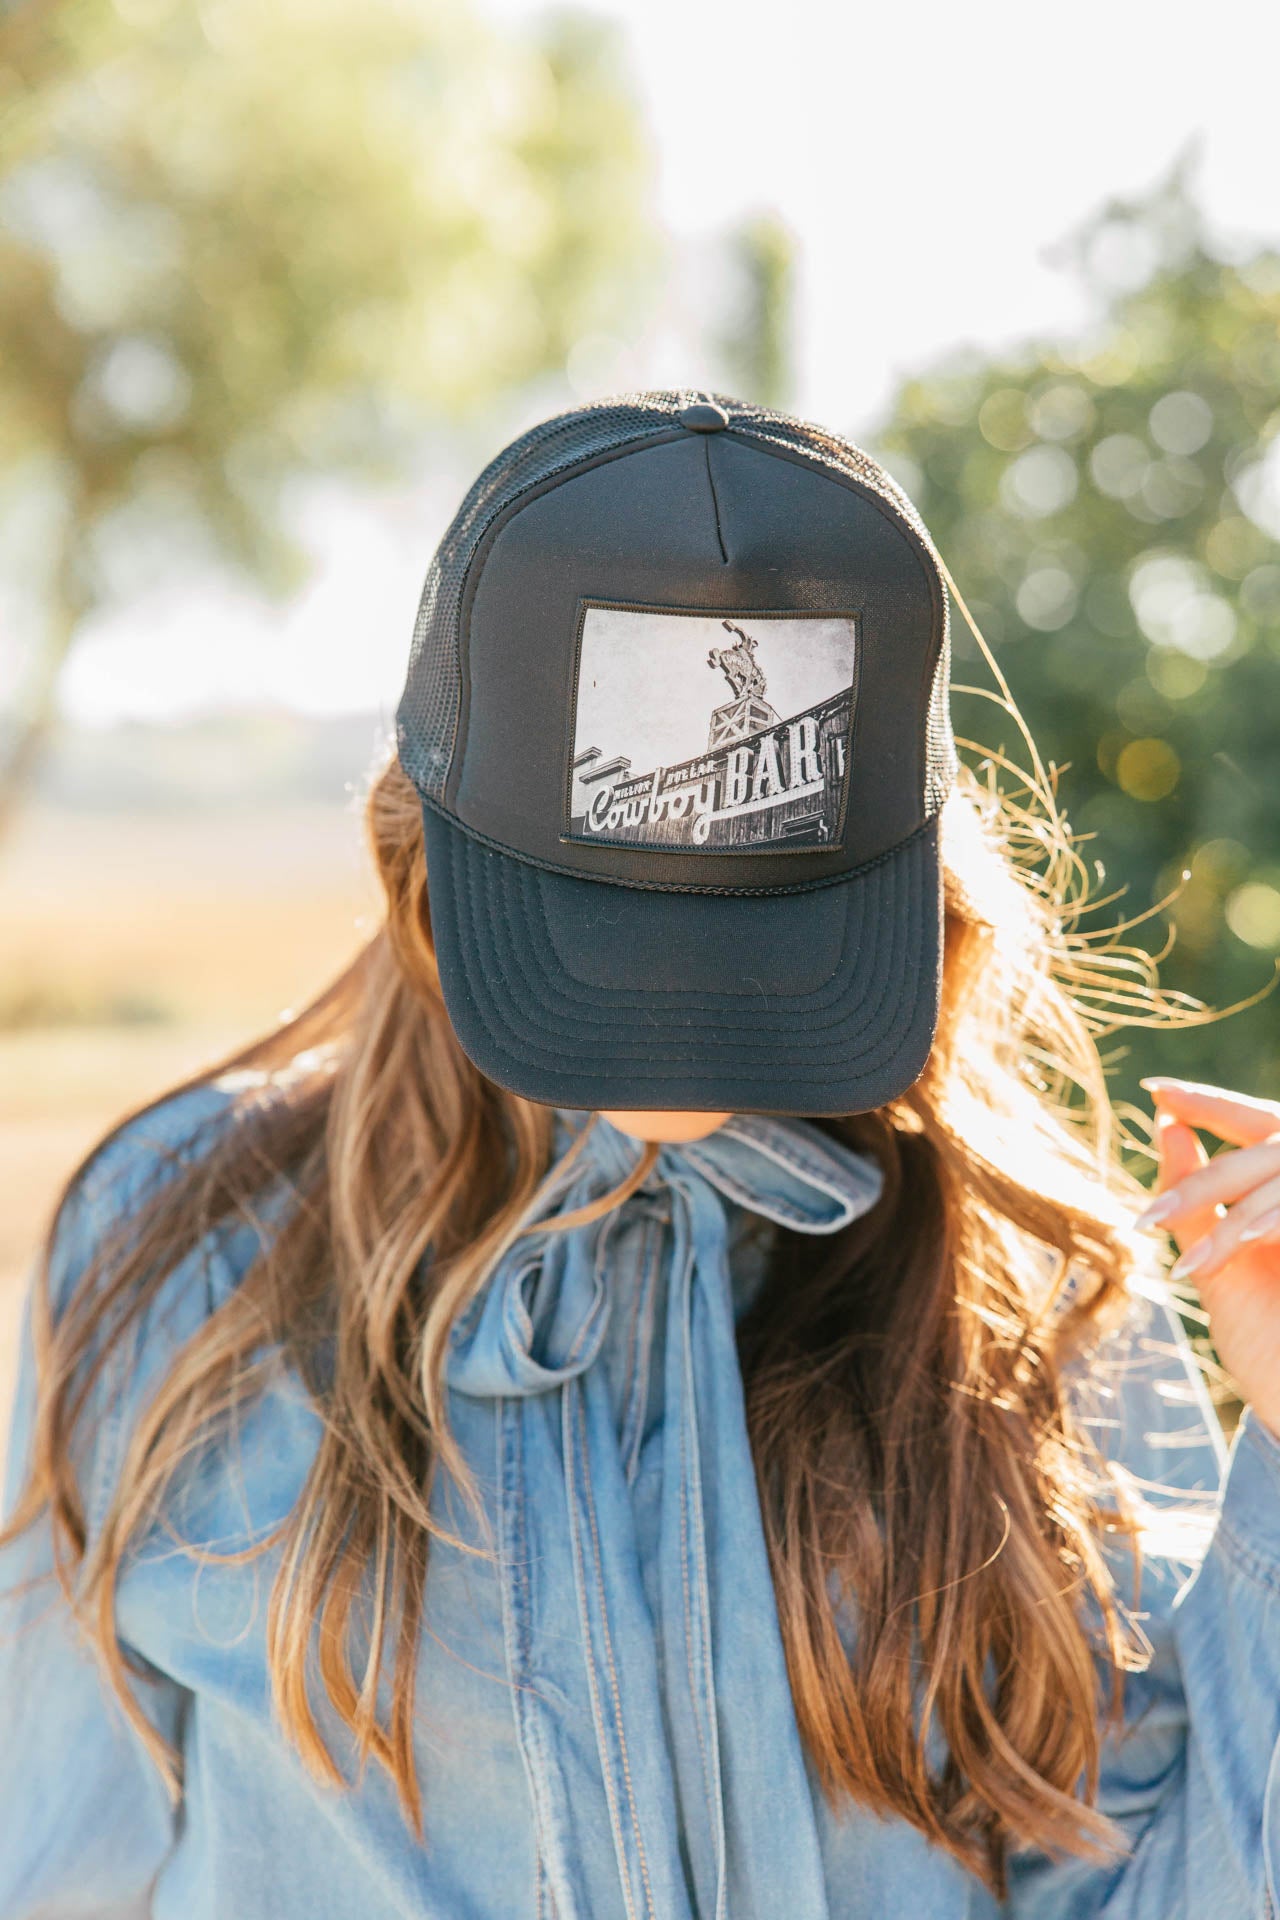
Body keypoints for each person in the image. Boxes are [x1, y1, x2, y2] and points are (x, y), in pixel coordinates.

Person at [2, 389, 1279, 1920]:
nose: (686, 1017)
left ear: (917, 884)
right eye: (615, 930)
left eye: (764, 932)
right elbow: (52, 1864)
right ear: (423, 856)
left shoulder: (1034, 1290)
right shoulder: (184, 1243)